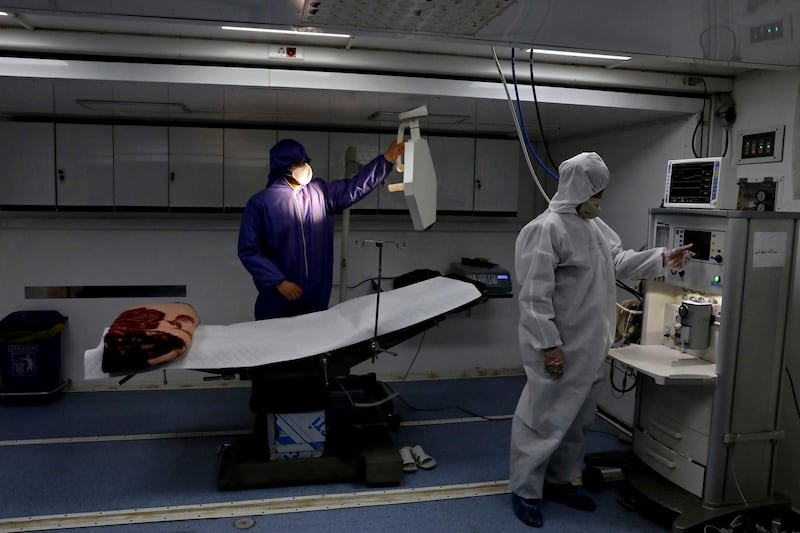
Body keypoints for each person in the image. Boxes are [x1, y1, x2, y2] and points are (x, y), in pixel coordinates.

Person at [509, 152, 693, 528]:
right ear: (580, 190)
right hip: (559, 345)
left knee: (577, 422)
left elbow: (620, 259)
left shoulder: (594, 227)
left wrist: (662, 258)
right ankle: (525, 490)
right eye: (596, 194)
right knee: (542, 419)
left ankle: (560, 480)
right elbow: (533, 297)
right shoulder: (545, 230)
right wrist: (548, 346)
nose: (600, 201)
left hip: (592, 344)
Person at [238, 138, 404, 320]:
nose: (303, 167)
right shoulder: (262, 203)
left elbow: (355, 187)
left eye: (305, 162)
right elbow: (249, 250)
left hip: (315, 303)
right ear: (282, 167)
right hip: (277, 303)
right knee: (279, 345)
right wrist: (278, 282)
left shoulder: (319, 193)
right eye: (297, 163)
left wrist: (386, 160)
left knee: (315, 345)